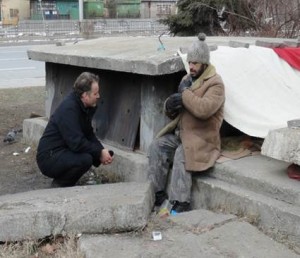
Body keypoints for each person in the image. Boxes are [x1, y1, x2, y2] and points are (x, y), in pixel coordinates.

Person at [147, 33, 225, 213]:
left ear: (204, 63)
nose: (190, 66)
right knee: (157, 146)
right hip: (182, 134)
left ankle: (179, 203)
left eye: (195, 63)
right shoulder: (186, 80)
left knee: (184, 153)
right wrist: (170, 105)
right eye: (189, 62)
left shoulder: (215, 84)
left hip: (202, 139)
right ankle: (156, 194)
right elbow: (176, 111)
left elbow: (204, 109)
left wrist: (184, 95)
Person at [36, 72, 113, 187]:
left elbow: (89, 135)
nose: (98, 96)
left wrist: (102, 151)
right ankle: (60, 186)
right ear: (85, 95)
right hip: (48, 158)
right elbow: (76, 143)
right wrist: (98, 153)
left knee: (89, 155)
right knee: (86, 159)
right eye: (95, 93)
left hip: (60, 152)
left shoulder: (82, 106)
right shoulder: (69, 109)